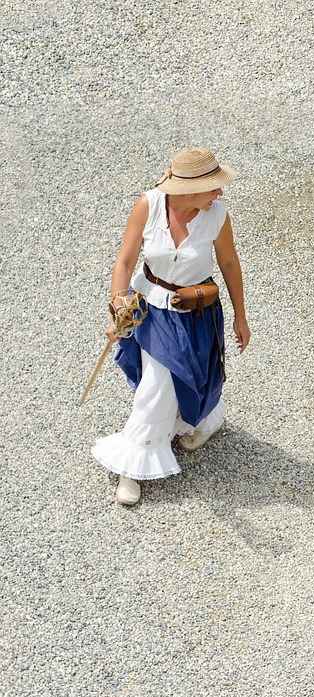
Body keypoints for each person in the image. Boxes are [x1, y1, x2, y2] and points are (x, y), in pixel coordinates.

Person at [93, 147, 250, 505]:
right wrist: (118, 306)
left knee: (194, 375)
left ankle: (206, 420)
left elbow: (228, 263)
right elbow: (125, 262)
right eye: (213, 186)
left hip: (195, 311)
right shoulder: (147, 206)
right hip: (148, 307)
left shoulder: (217, 215)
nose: (220, 193)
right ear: (188, 189)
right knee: (158, 383)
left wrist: (241, 315)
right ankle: (133, 463)